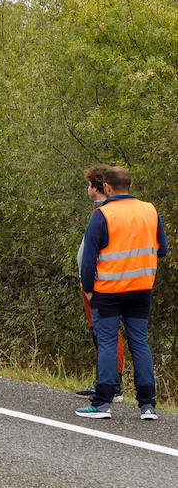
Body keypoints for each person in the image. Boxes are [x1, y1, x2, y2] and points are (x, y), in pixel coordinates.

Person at [75, 166, 166, 420]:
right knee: (140, 342)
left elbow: (89, 259)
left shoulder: (102, 215)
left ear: (107, 187)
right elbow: (163, 249)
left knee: (106, 342)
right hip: (140, 290)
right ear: (129, 185)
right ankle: (148, 406)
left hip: (108, 291)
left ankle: (102, 403)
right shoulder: (150, 210)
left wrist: (89, 290)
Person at [76, 165, 124, 401]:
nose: (87, 189)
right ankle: (103, 381)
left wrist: (90, 285)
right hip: (92, 283)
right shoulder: (100, 210)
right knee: (99, 332)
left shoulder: (106, 212)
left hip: (100, 285)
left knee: (108, 333)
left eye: (89, 184)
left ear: (98, 186)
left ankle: (113, 385)